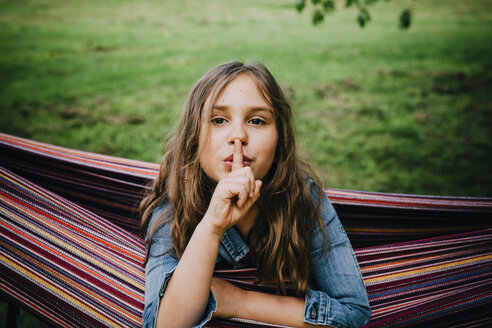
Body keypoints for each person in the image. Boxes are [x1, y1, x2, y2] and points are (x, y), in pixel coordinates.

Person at [140, 61, 371, 328]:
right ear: (194, 135)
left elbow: (354, 311)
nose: (238, 136)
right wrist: (213, 226)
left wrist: (240, 301)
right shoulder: (174, 202)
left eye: (257, 120)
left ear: (280, 137)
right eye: (218, 120)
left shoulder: (303, 196)